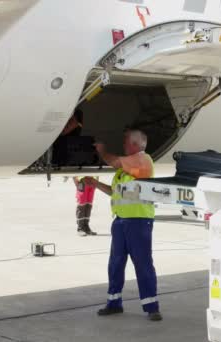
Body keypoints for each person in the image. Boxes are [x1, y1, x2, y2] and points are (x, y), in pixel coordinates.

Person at [84, 130, 162, 321]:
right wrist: (95, 183)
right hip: (120, 221)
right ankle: (114, 303)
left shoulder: (143, 160)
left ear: (136, 144)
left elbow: (113, 161)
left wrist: (102, 151)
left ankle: (152, 307)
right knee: (116, 264)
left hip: (138, 222)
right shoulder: (124, 171)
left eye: (126, 142)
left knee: (143, 265)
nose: (124, 145)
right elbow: (115, 193)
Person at [60, 109, 98, 236]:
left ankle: (86, 226)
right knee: (82, 200)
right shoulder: (73, 134)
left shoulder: (79, 136)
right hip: (79, 172)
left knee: (89, 200)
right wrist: (74, 176)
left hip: (88, 171)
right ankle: (80, 227)